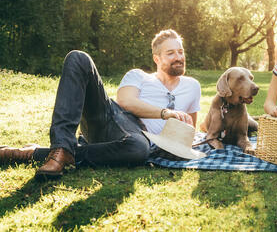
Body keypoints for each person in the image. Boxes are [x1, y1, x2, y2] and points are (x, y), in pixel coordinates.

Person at [0, 29, 201, 180]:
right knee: (79, 58)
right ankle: (61, 146)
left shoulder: (193, 86)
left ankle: (47, 153)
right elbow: (126, 101)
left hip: (137, 145)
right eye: (171, 53)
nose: (179, 57)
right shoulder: (138, 76)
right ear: (157, 58)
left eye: (181, 52)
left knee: (138, 149)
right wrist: (165, 113)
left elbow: (189, 128)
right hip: (113, 122)